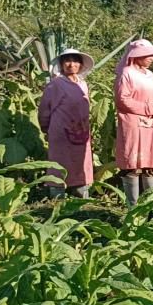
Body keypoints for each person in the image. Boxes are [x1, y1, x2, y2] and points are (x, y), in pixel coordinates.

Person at [114, 38, 153, 205]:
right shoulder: (127, 73)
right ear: (136, 55)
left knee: (150, 162)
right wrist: (147, 108)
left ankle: (151, 204)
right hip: (132, 123)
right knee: (132, 162)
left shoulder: (150, 75)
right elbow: (122, 100)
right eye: (148, 55)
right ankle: (133, 205)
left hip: (150, 124)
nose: (152, 58)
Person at [38, 48, 95, 199]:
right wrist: (46, 128)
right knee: (60, 162)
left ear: (81, 65)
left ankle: (81, 194)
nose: (71, 64)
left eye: (75, 61)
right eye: (67, 61)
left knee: (80, 161)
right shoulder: (56, 84)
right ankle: (57, 196)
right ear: (62, 64)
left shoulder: (83, 84)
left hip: (81, 131)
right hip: (61, 132)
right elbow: (45, 109)